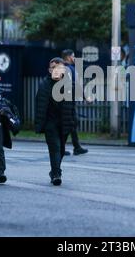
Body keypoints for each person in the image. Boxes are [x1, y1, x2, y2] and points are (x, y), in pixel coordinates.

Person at [35, 57, 76, 186]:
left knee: (62, 150)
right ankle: (57, 174)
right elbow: (39, 106)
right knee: (55, 148)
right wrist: (40, 123)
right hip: (50, 123)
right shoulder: (44, 85)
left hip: (64, 122)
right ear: (49, 70)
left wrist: (72, 122)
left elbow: (72, 106)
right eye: (53, 68)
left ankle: (53, 171)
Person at [61, 49, 88, 156]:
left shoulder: (63, 68)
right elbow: (75, 85)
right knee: (69, 123)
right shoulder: (69, 69)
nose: (75, 58)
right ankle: (61, 148)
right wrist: (85, 97)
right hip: (66, 101)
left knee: (72, 123)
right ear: (68, 57)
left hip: (66, 100)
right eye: (73, 56)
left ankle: (76, 147)